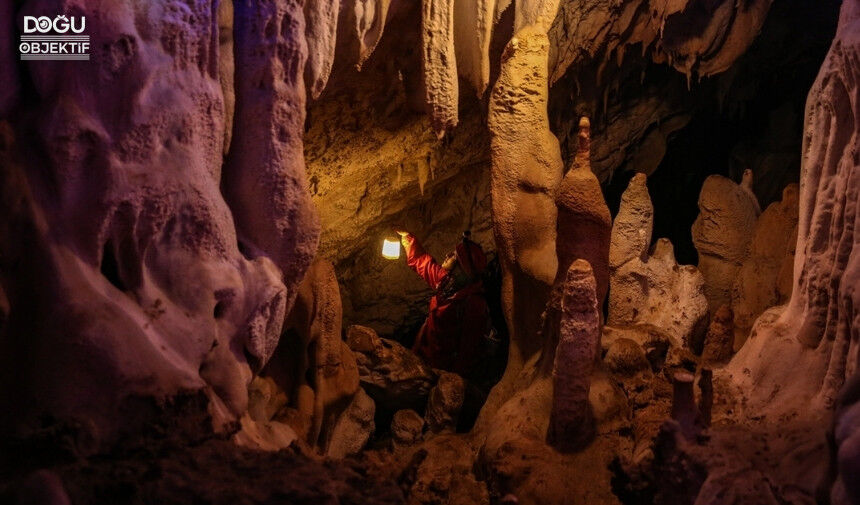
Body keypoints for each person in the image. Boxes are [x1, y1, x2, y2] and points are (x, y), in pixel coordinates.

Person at [395, 229, 491, 377]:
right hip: (424, 356)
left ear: (461, 268)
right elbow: (422, 261)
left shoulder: (474, 305)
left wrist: (451, 380)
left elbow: (469, 350)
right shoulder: (447, 282)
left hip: (442, 370)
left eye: (454, 255)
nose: (448, 255)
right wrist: (407, 237)